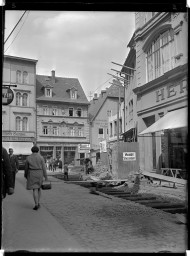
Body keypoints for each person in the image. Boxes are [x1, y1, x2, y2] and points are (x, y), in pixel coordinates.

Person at [24, 146, 48, 210]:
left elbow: (26, 168)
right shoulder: (41, 157)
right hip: (40, 173)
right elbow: (44, 168)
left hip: (32, 173)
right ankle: (38, 202)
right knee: (39, 188)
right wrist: (46, 176)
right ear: (38, 150)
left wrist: (26, 175)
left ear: (31, 150)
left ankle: (36, 204)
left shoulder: (28, 158)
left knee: (35, 189)